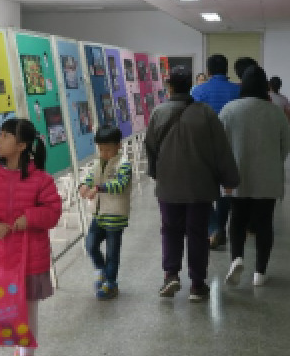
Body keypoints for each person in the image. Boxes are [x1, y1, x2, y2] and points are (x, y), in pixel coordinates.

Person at [146, 66, 239, 301]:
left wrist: (158, 174)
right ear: (191, 86)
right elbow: (221, 150)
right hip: (200, 186)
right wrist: (230, 179)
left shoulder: (158, 113)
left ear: (169, 86)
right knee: (197, 233)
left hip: (169, 185)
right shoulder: (206, 113)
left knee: (170, 230)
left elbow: (151, 149)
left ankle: (171, 275)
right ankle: (197, 285)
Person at [0, 118, 61, 356]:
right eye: (0, 134)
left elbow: (53, 212)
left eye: (5, 136)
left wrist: (29, 218)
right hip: (2, 260)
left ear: (21, 145)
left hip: (31, 260)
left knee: (29, 314)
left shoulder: (41, 179)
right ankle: (19, 348)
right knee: (5, 309)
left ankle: (26, 353)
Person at [219, 65, 290, 286]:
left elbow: (220, 145)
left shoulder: (229, 110)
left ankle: (237, 259)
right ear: (265, 86)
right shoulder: (275, 112)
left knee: (237, 219)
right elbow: (286, 145)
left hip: (237, 175)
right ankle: (260, 272)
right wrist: (273, 160)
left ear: (243, 85)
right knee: (264, 222)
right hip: (267, 177)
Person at [190, 54, 241, 250]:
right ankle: (220, 228)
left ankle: (214, 229)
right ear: (226, 69)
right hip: (231, 146)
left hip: (204, 147)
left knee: (202, 190)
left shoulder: (198, 90)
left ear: (208, 71)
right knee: (225, 189)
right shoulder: (238, 90)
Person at [79, 126, 133, 300]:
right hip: (99, 214)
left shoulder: (123, 165)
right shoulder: (97, 163)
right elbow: (90, 178)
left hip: (115, 215)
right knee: (90, 245)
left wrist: (98, 188)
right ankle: (101, 270)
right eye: (101, 149)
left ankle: (111, 283)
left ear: (118, 146)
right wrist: (83, 186)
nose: (104, 153)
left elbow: (120, 185)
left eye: (108, 150)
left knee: (112, 253)